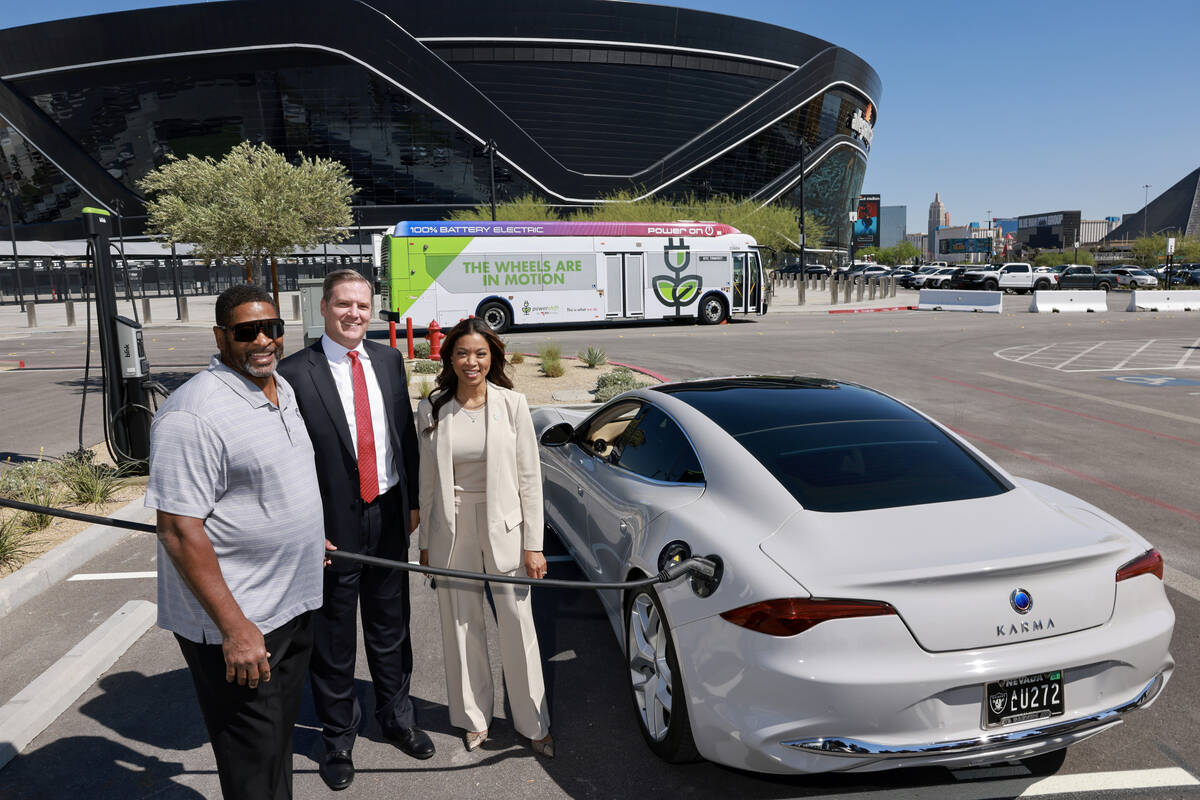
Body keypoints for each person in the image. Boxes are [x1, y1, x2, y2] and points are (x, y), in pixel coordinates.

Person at [147, 284, 324, 800]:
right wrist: (236, 628)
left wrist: (311, 533)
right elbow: (179, 530)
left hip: (290, 606)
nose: (264, 340)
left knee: (275, 749)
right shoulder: (192, 414)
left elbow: (274, 482)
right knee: (251, 762)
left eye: (272, 328)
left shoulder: (279, 388)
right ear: (222, 336)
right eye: (248, 332)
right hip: (242, 623)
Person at [277, 269, 432, 791]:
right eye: (344, 305)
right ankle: (338, 737)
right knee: (334, 636)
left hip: (387, 513)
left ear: (373, 310)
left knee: (392, 627)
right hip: (330, 525)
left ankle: (396, 718)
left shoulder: (388, 359)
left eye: (363, 306)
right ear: (323, 308)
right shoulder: (295, 372)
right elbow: (287, 460)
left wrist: (411, 504)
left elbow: (402, 436)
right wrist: (305, 525)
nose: (354, 315)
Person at [416, 318, 554, 758]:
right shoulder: (433, 408)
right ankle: (474, 719)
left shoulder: (512, 404)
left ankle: (534, 723)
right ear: (449, 358)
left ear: (491, 356)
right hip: (451, 530)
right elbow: (427, 480)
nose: (471, 361)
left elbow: (530, 480)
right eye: (462, 353)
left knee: (518, 626)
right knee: (461, 625)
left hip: (507, 531)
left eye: (480, 353)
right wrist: (424, 542)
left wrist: (534, 544)